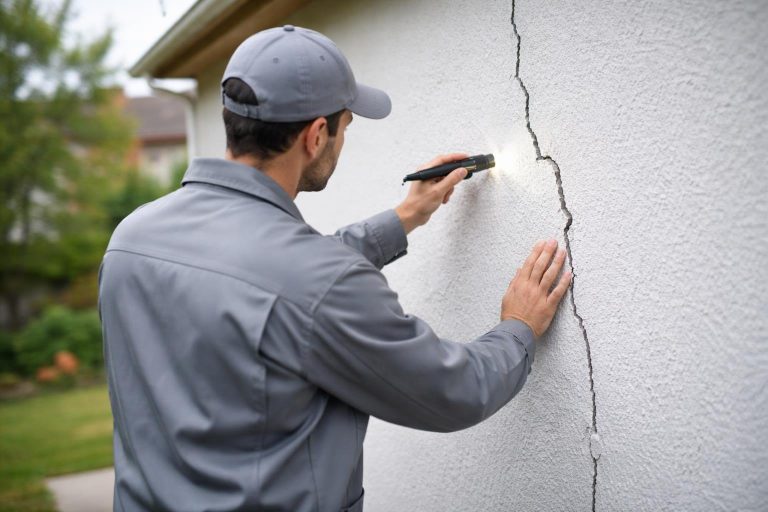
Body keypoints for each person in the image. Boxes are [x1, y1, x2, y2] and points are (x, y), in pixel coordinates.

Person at [98, 25, 571, 512]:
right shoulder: (314, 280)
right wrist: (518, 327)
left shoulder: (131, 240)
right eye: (346, 125)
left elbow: (269, 281)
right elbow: (453, 391)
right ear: (316, 135)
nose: (343, 140)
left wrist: (405, 216)